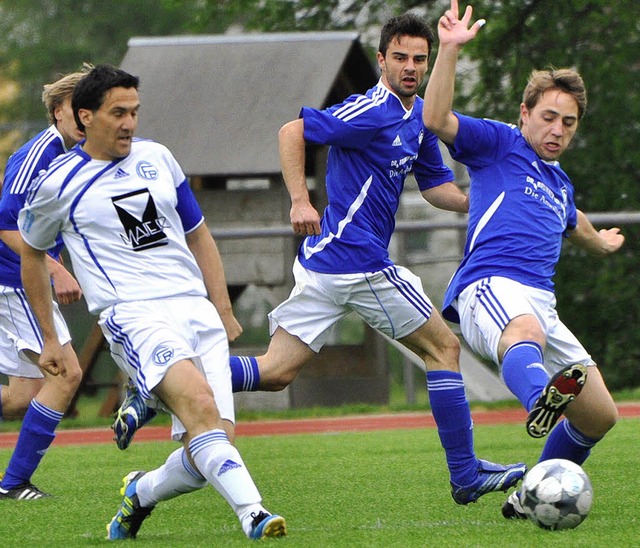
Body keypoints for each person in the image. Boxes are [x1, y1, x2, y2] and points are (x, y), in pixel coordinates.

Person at [228, 12, 526, 505]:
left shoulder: (420, 120)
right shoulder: (370, 110)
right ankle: (466, 473)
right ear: (383, 60)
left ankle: (174, 377)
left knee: (275, 372)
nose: (411, 67)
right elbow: (290, 131)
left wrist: (488, 201)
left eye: (420, 60)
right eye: (401, 58)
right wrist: (300, 199)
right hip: (359, 261)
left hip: (328, 264)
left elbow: (435, 187)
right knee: (443, 350)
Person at [18, 64, 285, 540]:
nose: (129, 123)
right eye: (117, 113)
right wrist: (51, 340)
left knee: (213, 445)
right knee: (201, 408)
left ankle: (140, 492)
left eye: (135, 112)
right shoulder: (57, 183)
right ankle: (254, 513)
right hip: (133, 314)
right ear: (86, 116)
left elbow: (199, 234)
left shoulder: (158, 158)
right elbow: (32, 255)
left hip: (194, 309)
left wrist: (222, 309)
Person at [422, 0, 622, 519]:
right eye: (549, 117)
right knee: (524, 331)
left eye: (569, 123)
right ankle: (540, 399)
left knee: (600, 414)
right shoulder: (499, 143)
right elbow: (436, 117)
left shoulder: (559, 185)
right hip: (490, 286)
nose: (558, 129)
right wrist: (448, 49)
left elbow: (573, 221)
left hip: (541, 302)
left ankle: (526, 495)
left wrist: (601, 243)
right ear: (525, 114)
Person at [0, 67, 89, 499]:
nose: (87, 117)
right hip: (14, 280)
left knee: (22, 395)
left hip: (21, 278)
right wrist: (56, 268)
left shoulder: (77, 153)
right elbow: (6, 225)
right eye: (79, 108)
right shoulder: (39, 154)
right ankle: (14, 484)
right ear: (58, 112)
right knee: (67, 373)